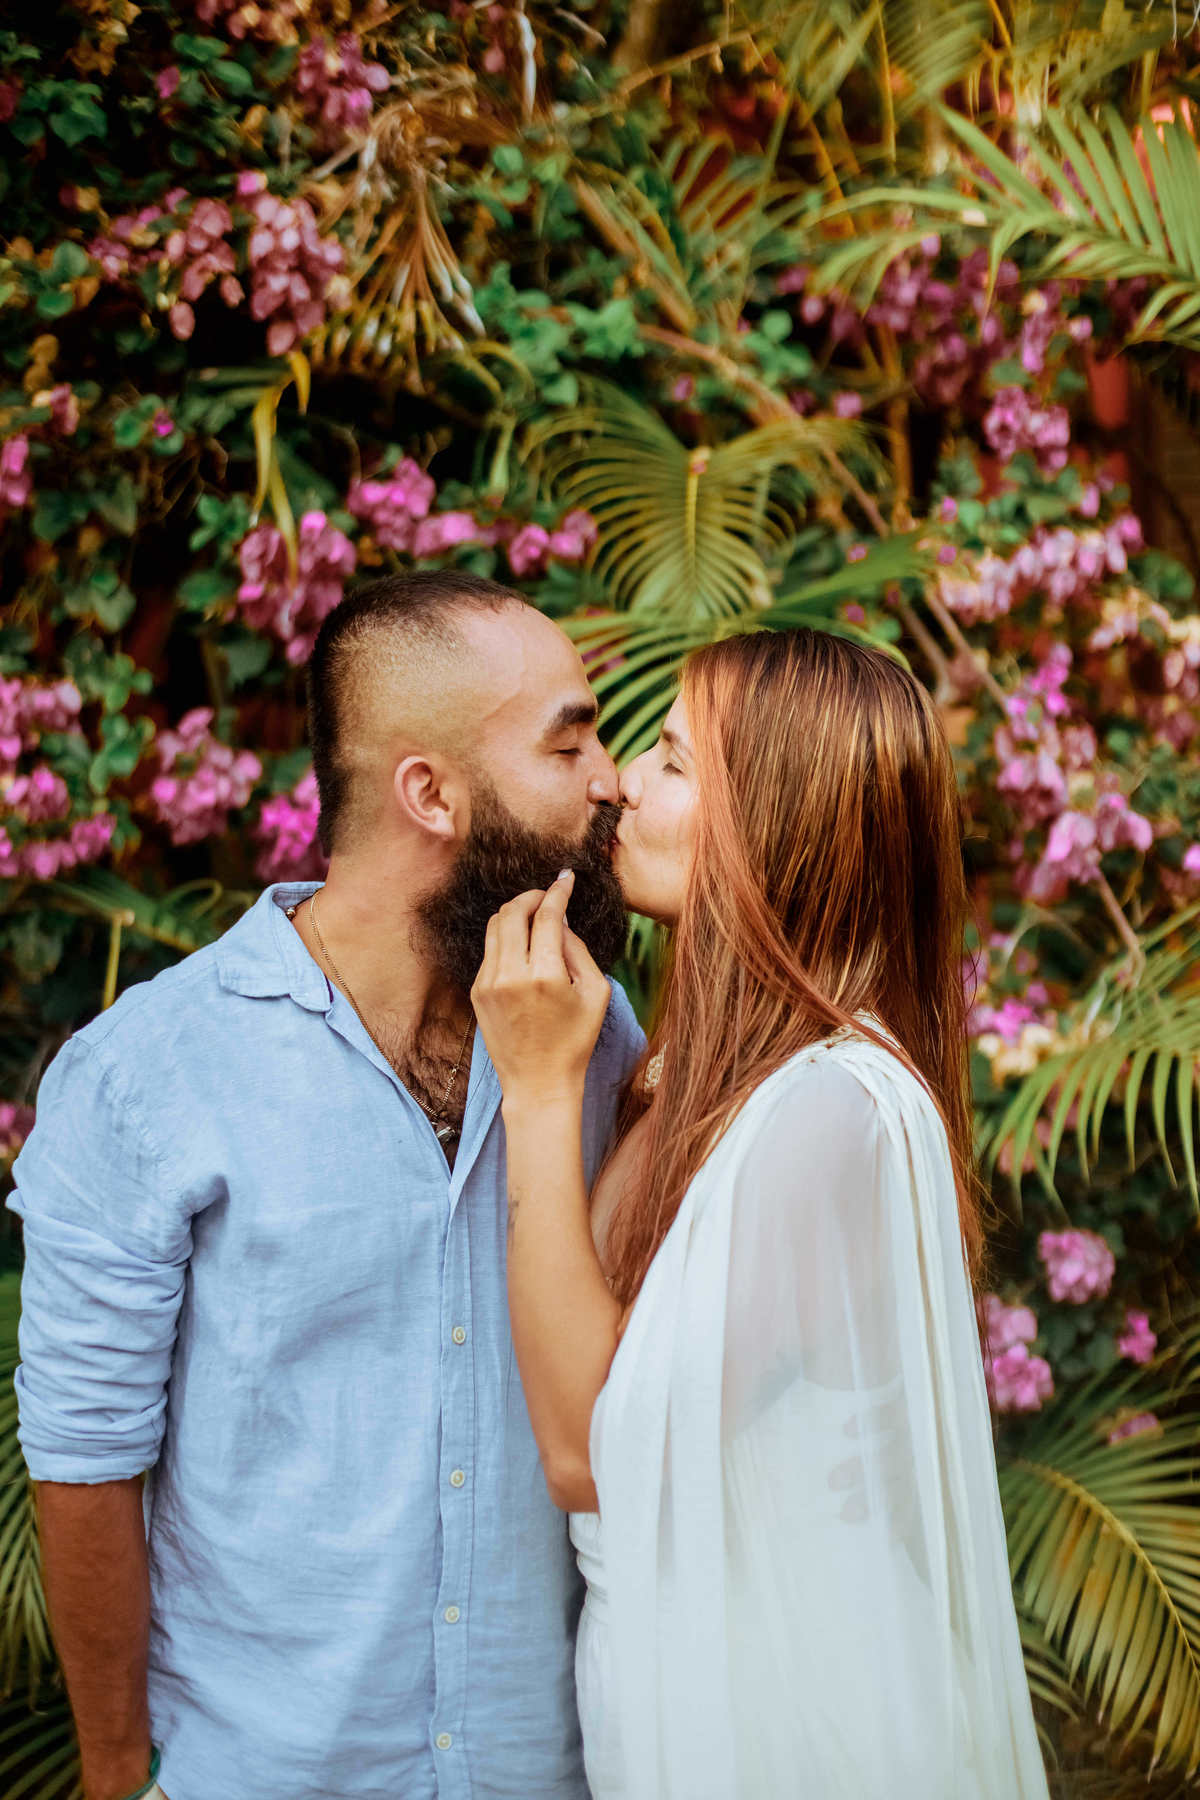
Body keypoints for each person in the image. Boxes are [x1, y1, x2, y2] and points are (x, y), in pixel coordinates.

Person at [9, 571, 643, 1800]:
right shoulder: (150, 1074)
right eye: (571, 741)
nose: (611, 777)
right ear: (431, 793)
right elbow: (85, 1458)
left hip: (550, 1773)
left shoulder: (592, 1029)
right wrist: (111, 1777)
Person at [472, 626, 1051, 1800]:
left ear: (779, 825)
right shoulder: (698, 1073)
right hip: (700, 1684)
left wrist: (534, 1090)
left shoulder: (830, 1106)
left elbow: (593, 1456)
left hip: (788, 1721)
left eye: (678, 763)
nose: (626, 779)